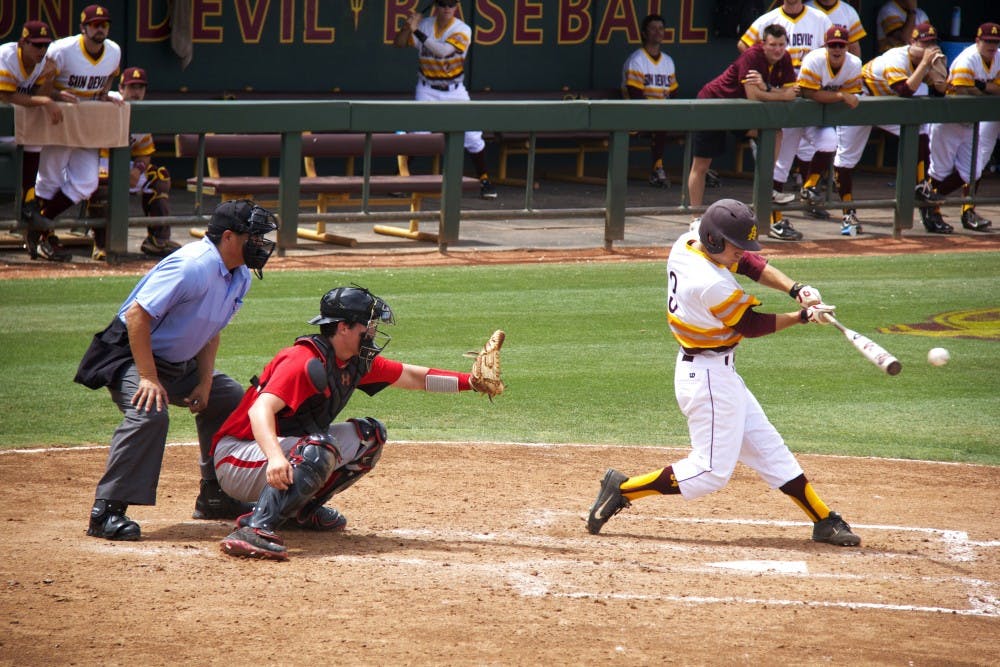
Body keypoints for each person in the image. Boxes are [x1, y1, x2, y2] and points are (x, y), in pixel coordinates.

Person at [586, 199, 860, 548]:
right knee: (710, 473)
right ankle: (622, 489)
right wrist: (802, 317)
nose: (741, 253)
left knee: (769, 449)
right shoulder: (709, 282)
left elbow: (747, 261)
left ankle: (823, 520)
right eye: (735, 245)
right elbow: (751, 324)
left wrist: (796, 290)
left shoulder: (688, 243)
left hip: (718, 375)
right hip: (708, 381)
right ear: (715, 241)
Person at [214, 286, 499, 561]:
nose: (373, 332)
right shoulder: (302, 361)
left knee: (369, 436)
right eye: (368, 326)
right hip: (238, 456)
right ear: (343, 328)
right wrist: (275, 457)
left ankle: (299, 512)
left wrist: (471, 383)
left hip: (276, 454)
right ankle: (254, 528)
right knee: (319, 448)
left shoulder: (352, 361)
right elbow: (259, 410)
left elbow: (413, 377)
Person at [74, 200, 278, 541]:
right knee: (149, 412)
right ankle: (106, 510)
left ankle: (215, 493)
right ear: (229, 237)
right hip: (128, 355)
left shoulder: (239, 275)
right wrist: (148, 378)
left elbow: (210, 330)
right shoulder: (192, 266)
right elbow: (138, 316)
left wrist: (204, 382)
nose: (261, 245)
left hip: (178, 362)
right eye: (254, 238)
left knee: (229, 399)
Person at [21, 5, 123, 263]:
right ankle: (44, 236)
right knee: (50, 180)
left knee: (88, 182)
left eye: (104, 24)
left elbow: (109, 77)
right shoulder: (62, 50)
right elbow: (39, 87)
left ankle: (38, 227)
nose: (100, 28)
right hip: (58, 122)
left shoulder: (113, 51)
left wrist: (105, 94)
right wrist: (55, 94)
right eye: (94, 24)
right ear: (83, 27)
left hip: (87, 127)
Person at [834, 22, 949, 233]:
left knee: (920, 131)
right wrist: (925, 65)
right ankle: (847, 213)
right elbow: (904, 90)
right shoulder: (896, 58)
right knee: (846, 159)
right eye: (924, 43)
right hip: (860, 102)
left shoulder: (926, 60)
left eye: (932, 43)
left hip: (886, 106)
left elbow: (941, 91)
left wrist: (938, 71)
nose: (929, 48)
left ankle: (920, 186)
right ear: (911, 42)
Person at [687, 25, 799, 239]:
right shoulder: (751, 56)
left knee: (775, 133)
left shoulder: (784, 59)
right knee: (701, 166)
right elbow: (753, 95)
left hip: (740, 113)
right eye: (772, 45)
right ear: (763, 44)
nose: (777, 49)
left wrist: (767, 88)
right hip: (714, 105)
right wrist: (781, 95)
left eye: (781, 45)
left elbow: (791, 91)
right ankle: (694, 218)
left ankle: (767, 186)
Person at [392, 0, 497, 200]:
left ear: (456, 7)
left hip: (454, 90)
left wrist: (416, 31)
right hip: (427, 88)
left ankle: (484, 179)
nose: (447, 8)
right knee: (418, 136)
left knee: (472, 137)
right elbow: (398, 43)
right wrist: (407, 27)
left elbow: (442, 52)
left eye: (451, 4)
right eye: (442, 4)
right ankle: (400, 178)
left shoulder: (462, 29)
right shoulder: (424, 25)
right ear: (436, 7)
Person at [86, 66, 181, 261]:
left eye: (140, 87)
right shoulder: (107, 101)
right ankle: (102, 244)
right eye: (131, 87)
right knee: (102, 183)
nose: (136, 92)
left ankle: (157, 240)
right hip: (92, 162)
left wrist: (137, 171)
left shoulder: (140, 112)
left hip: (121, 165)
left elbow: (144, 153)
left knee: (159, 177)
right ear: (121, 88)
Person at [924, 22, 1000, 233]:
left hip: (970, 124)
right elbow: (966, 94)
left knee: (972, 170)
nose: (992, 46)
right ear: (978, 41)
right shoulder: (967, 60)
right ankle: (933, 212)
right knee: (940, 170)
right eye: (987, 41)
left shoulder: (998, 58)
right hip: (949, 121)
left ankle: (926, 198)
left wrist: (982, 86)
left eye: (995, 41)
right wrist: (987, 90)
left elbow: (993, 90)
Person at [0, 20, 63, 259]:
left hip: (11, 128)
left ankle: (29, 205)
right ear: (22, 43)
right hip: (5, 119)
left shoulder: (41, 63)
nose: (41, 50)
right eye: (36, 45)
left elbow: (37, 95)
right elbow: (6, 95)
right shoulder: (6, 55)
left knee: (34, 139)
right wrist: (45, 101)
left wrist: (48, 80)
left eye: (45, 45)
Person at [796, 27, 864, 236]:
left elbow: (854, 95)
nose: (836, 49)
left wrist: (840, 96)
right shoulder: (814, 60)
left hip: (828, 118)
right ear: (825, 46)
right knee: (781, 164)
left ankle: (810, 189)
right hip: (799, 112)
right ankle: (774, 220)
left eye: (841, 45)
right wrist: (841, 95)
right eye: (832, 45)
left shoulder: (854, 64)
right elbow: (808, 93)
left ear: (847, 46)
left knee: (831, 144)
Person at [621, 13, 679, 187]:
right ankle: (657, 168)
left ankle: (702, 169)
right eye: (653, 28)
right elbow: (635, 95)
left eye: (661, 28)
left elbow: (674, 93)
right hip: (634, 113)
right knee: (660, 119)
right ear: (644, 33)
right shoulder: (637, 60)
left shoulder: (668, 61)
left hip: (659, 113)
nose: (658, 32)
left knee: (691, 122)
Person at [738, 0, 832, 72]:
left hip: (810, 78)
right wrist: (764, 68)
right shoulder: (768, 19)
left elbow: (834, 48)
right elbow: (743, 45)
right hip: (781, 78)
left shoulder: (820, 19)